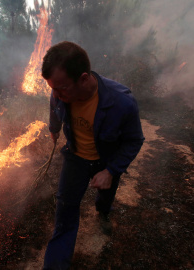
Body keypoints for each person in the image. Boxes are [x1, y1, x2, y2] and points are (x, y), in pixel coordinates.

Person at [41, 41, 144, 270]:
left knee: (105, 199)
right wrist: (54, 127)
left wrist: (111, 171)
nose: (56, 94)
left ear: (84, 79)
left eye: (61, 88)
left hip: (106, 159)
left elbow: (134, 140)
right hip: (75, 158)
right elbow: (54, 105)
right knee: (65, 214)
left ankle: (104, 211)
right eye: (52, 88)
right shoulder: (60, 93)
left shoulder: (122, 102)